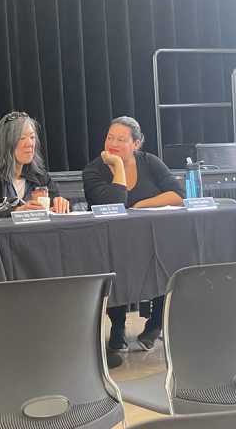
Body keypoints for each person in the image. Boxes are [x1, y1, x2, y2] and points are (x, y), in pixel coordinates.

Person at [83, 116, 185, 352]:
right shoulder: (94, 169)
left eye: (121, 139)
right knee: (114, 266)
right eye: (110, 138)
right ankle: (117, 327)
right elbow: (118, 202)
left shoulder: (149, 162)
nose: (113, 144)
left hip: (149, 239)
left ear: (136, 144)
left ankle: (155, 325)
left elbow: (178, 194)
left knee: (166, 259)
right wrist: (118, 165)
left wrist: (140, 205)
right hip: (110, 243)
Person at [0, 111, 70, 218]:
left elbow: (53, 206)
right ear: (6, 144)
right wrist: (18, 211)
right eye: (22, 138)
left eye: (32, 137)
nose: (30, 144)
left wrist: (59, 203)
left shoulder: (40, 176)